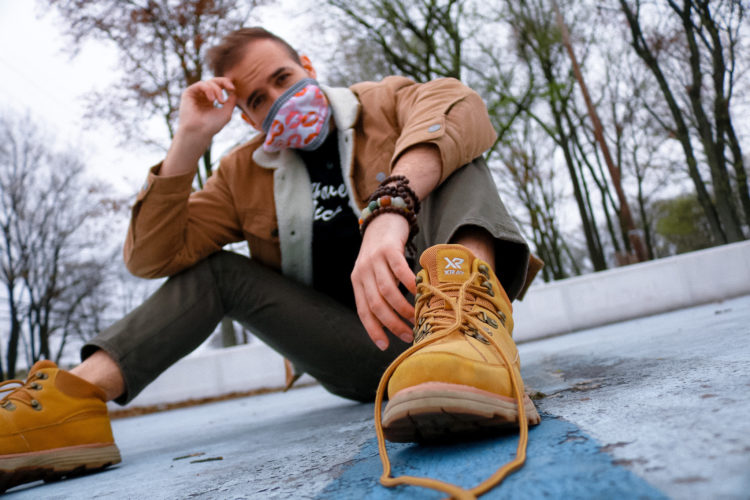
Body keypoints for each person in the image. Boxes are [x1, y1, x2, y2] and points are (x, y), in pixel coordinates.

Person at [0, 27, 541, 495]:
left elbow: (458, 104)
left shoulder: (388, 101)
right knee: (216, 271)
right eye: (257, 99)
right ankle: (71, 407)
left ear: (307, 66)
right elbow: (153, 256)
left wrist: (389, 209)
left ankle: (472, 336)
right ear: (243, 116)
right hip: (358, 350)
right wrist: (188, 142)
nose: (277, 99)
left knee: (447, 150)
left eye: (283, 78)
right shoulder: (241, 174)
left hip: (439, 322)